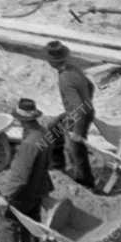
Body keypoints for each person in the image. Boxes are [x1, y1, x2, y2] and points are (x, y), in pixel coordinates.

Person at [0, 98, 54, 242]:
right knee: (32, 221)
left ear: (22, 120)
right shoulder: (44, 134)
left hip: (23, 190)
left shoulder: (28, 144)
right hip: (38, 187)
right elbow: (48, 163)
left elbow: (19, 176)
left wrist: (5, 195)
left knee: (5, 218)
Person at [46, 40, 96, 189]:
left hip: (79, 116)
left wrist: (78, 131)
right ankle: (57, 165)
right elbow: (90, 86)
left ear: (51, 62)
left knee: (75, 148)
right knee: (53, 127)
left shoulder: (65, 79)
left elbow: (79, 108)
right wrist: (88, 101)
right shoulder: (74, 68)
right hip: (79, 111)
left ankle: (85, 182)